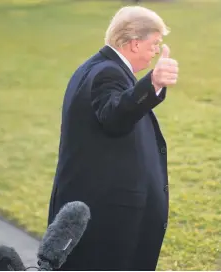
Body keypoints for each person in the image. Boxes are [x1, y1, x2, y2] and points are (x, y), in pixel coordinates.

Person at [47, 5, 178, 271]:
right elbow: (115, 116)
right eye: (154, 44)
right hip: (107, 220)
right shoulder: (108, 72)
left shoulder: (95, 67)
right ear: (133, 43)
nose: (156, 51)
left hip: (96, 211)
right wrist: (152, 83)